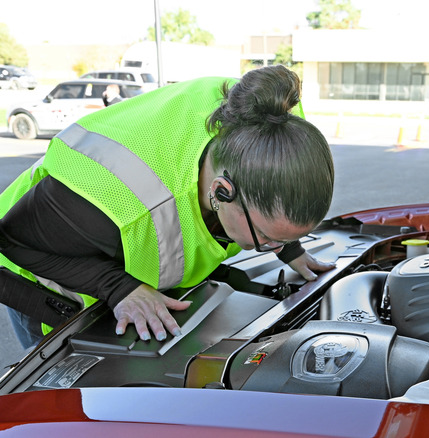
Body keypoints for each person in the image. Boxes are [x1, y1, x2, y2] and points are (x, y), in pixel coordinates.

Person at [0, 65, 335, 348]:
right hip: (41, 256)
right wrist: (119, 287)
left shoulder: (273, 122)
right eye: (265, 236)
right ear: (222, 191)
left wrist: (291, 246)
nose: (270, 247)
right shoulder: (120, 199)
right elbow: (11, 240)